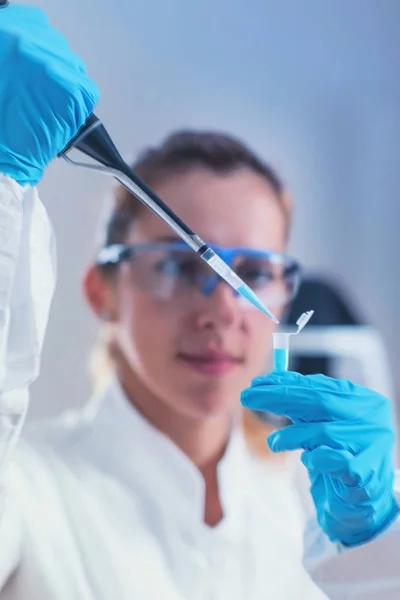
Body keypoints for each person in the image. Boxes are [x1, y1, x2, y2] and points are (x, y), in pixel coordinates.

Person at [0, 5, 399, 599]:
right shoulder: (27, 489)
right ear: (102, 290)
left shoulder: (307, 508)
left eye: (256, 272)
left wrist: (381, 530)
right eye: (180, 266)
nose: (221, 310)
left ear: (287, 296)